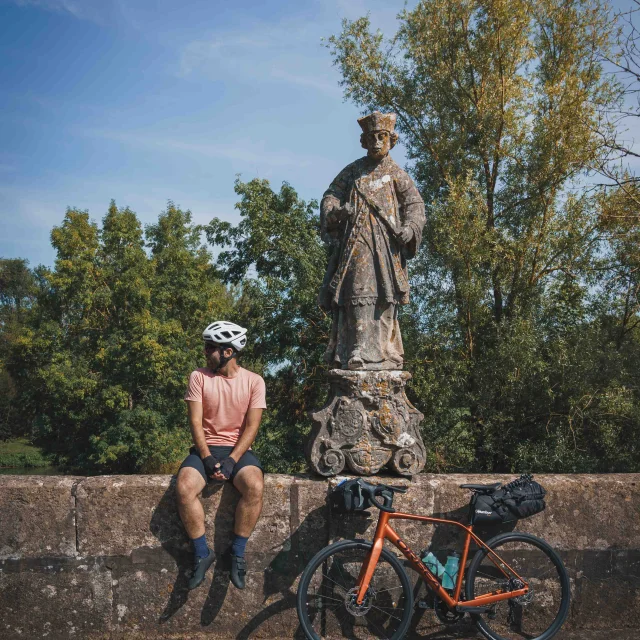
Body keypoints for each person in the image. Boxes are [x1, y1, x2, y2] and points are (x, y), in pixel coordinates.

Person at [318, 111, 426, 370]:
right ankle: (356, 348)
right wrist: (336, 211)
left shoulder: (397, 174)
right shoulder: (353, 171)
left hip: (387, 247)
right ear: (363, 142)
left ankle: (385, 350)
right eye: (371, 137)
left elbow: (415, 205)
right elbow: (330, 196)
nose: (377, 141)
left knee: (385, 295)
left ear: (391, 140)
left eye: (382, 136)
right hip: (358, 241)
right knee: (357, 289)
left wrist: (410, 228)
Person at [175, 320, 266, 590]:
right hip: (206, 447)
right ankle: (202, 553)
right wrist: (206, 458)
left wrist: (231, 461)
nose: (205, 352)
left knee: (255, 486)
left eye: (210, 348)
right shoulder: (199, 377)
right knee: (183, 488)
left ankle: (237, 552)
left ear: (227, 351)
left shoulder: (254, 382)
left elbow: (252, 426)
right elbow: (195, 422)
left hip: (238, 451)